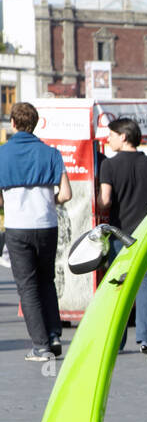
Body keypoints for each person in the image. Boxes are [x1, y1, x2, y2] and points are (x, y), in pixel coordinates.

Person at [0, 102, 72, 361]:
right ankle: (54, 335)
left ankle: (40, 346)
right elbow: (66, 194)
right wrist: (50, 200)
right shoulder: (52, 153)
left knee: (27, 287)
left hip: (18, 228)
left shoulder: (2, 154)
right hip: (47, 225)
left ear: (13, 123)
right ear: (36, 123)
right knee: (46, 281)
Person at [99, 118, 147, 350]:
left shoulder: (109, 166)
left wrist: (96, 202)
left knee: (118, 286)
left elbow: (105, 200)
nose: (108, 139)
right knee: (146, 284)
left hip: (120, 235)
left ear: (123, 136)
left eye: (111, 135)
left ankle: (116, 341)